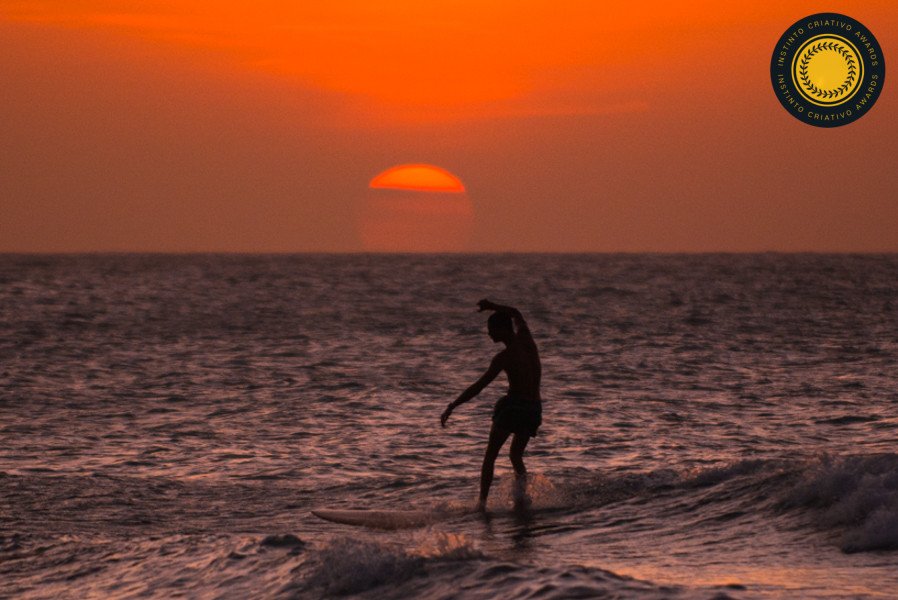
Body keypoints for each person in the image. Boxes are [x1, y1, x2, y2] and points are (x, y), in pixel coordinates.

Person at [441, 299, 542, 511]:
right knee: (516, 456)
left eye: (491, 330)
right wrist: (492, 306)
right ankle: (522, 499)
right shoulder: (527, 339)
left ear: (502, 330)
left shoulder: (503, 358)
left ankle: (482, 504)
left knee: (490, 455)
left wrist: (453, 405)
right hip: (533, 409)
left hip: (514, 408)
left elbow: (478, 387)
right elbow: (515, 310)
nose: (489, 334)